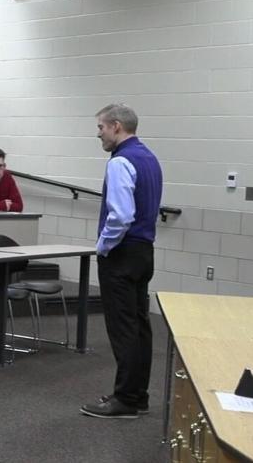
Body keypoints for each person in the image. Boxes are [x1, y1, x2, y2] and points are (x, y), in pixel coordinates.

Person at [80, 104, 162, 419]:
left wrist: (103, 246)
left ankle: (125, 399)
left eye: (100, 127)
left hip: (122, 253)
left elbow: (121, 215)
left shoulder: (120, 162)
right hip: (144, 252)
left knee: (123, 328)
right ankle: (136, 395)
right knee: (140, 326)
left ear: (116, 126)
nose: (98, 133)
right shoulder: (150, 158)